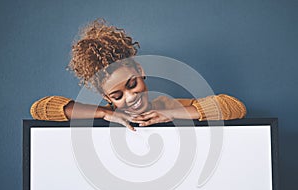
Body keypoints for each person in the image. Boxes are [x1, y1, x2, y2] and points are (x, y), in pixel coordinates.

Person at [30, 18, 247, 131]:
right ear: (107, 98)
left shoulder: (171, 105)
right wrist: (105, 114)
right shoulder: (104, 112)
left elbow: (235, 107)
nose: (131, 97)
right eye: (117, 96)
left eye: (132, 84)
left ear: (140, 72)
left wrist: (173, 113)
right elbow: (39, 109)